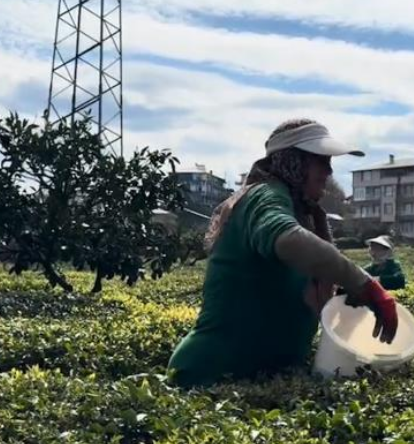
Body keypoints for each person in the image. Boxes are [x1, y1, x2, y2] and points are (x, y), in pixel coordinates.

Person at [168, 119, 398, 387]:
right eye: (320, 161)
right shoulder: (265, 196)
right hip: (211, 378)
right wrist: (363, 283)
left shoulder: (302, 212)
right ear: (293, 161)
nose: (328, 171)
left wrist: (342, 294)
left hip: (266, 383)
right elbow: (287, 239)